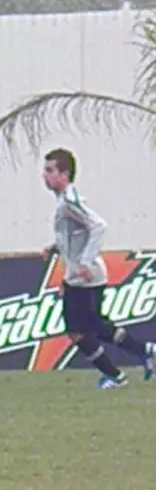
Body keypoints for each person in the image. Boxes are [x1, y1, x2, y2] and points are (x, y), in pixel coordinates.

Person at [43, 147, 154, 389]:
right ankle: (143, 353)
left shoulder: (69, 201)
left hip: (85, 277)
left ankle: (116, 376)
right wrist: (55, 248)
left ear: (64, 174)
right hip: (80, 277)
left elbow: (99, 226)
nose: (45, 175)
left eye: (50, 170)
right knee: (94, 327)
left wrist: (85, 261)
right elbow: (74, 236)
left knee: (79, 332)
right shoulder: (64, 202)